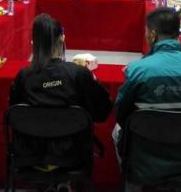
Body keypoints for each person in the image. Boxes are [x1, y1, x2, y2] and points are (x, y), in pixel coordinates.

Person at [10, 13, 112, 192]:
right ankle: (62, 182)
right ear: (62, 38)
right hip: (72, 155)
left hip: (30, 154)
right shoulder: (78, 73)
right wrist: (92, 80)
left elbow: (15, 115)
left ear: (33, 42)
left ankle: (55, 183)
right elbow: (102, 112)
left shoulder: (23, 76)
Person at [114, 8, 181, 183]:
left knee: (117, 131)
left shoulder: (137, 70)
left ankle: (131, 180)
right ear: (178, 33)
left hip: (145, 155)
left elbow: (121, 114)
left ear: (152, 35)